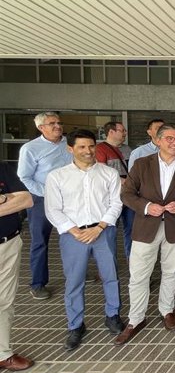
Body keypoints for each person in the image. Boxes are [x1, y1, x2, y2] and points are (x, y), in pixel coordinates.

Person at [115, 124, 175, 345]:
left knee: (171, 271)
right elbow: (127, 194)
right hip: (146, 226)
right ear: (159, 140)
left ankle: (167, 310)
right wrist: (146, 206)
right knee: (139, 276)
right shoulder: (142, 164)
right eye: (170, 139)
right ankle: (136, 319)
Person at [45, 129, 124, 351]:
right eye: (81, 146)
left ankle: (113, 315)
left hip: (103, 231)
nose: (88, 151)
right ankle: (76, 325)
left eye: (91, 146)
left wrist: (99, 227)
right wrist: (74, 230)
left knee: (110, 276)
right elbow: (53, 209)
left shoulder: (108, 173)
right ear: (70, 149)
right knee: (74, 281)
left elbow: (116, 204)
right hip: (73, 235)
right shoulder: (57, 176)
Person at [17, 111, 73, 300]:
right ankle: (38, 283)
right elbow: (24, 177)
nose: (58, 126)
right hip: (42, 200)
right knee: (40, 241)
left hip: (71, 199)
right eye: (52, 123)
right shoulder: (30, 148)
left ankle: (76, 272)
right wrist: (47, 192)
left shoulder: (70, 144)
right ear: (41, 127)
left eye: (59, 122)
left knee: (74, 238)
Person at [0, 161, 35, 371]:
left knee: (5, 299)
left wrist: (7, 198)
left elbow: (26, 199)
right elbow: (15, 200)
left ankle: (3, 353)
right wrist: (6, 199)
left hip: (9, 244)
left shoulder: (4, 169)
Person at [95, 121, 134, 258]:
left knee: (131, 230)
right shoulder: (100, 149)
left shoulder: (127, 149)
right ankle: (108, 266)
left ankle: (132, 263)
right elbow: (101, 172)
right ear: (111, 132)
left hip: (129, 196)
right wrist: (124, 181)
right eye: (122, 130)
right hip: (110, 197)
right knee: (109, 230)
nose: (125, 133)